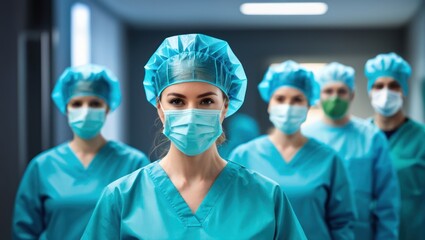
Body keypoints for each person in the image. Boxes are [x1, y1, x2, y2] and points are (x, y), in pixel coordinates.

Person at [82, 33, 306, 239]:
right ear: (160, 108)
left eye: (206, 101)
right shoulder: (122, 198)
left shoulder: (265, 196)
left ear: (225, 106)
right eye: (177, 101)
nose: (190, 113)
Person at [12, 64, 150, 240]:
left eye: (94, 103)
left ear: (107, 108)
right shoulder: (42, 166)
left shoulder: (134, 163)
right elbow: (24, 232)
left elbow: (146, 227)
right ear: (65, 108)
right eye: (77, 103)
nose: (85, 111)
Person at [229, 60, 356, 239]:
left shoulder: (329, 159)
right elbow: (233, 217)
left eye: (297, 99)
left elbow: (342, 223)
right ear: (269, 103)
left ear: (308, 105)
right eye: (280, 99)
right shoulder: (244, 156)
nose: (288, 106)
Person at [302, 62, 400, 240]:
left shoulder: (371, 137)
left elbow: (387, 201)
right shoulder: (304, 135)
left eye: (341, 91)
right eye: (328, 91)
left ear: (352, 94)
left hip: (359, 233)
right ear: (318, 96)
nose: (335, 97)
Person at [365, 52, 425, 240]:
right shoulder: (359, 138)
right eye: (378, 86)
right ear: (369, 91)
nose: (385, 92)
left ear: (404, 90)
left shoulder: (421, 138)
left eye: (393, 85)